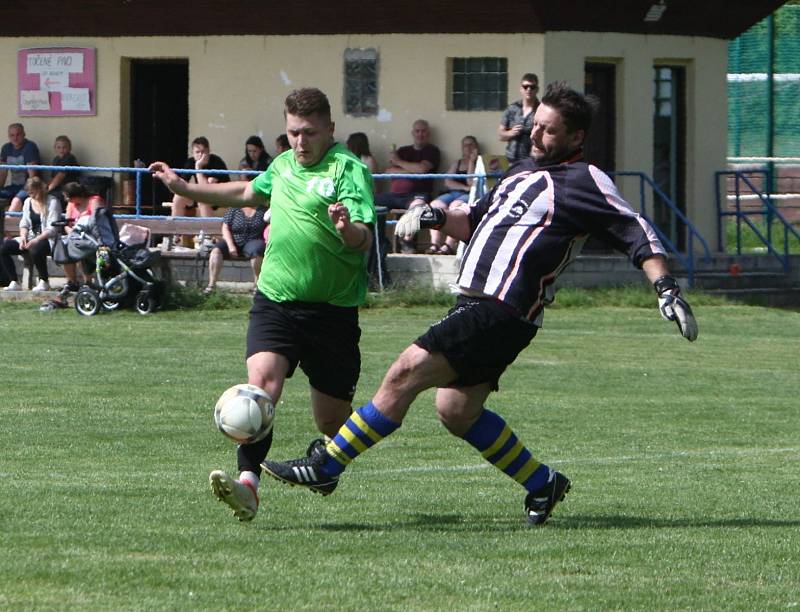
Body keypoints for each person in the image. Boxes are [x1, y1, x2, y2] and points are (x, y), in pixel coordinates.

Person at [261, 82, 699, 527]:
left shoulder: (585, 180)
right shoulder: (520, 173)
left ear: (576, 138)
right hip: (477, 305)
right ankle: (542, 483)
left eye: (548, 130)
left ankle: (326, 465)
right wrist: (433, 214)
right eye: (535, 125)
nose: (535, 135)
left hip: (501, 308)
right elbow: (473, 220)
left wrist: (665, 287)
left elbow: (634, 228)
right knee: (456, 410)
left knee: (404, 372)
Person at [149, 87, 376, 523]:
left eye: (309, 133)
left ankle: (327, 466)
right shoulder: (283, 165)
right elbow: (248, 192)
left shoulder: (349, 170)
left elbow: (363, 238)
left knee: (333, 424)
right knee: (260, 391)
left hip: (332, 314)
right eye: (293, 132)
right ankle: (248, 485)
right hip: (276, 302)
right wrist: (186, 186)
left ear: (330, 128)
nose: (300, 142)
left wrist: (347, 230)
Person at [375, 119, 440, 253]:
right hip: (394, 195)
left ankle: (406, 242)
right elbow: (389, 171)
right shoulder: (403, 150)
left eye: (423, 131)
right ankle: (376, 241)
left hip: (418, 194)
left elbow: (422, 169)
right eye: (417, 131)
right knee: (369, 201)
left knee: (417, 207)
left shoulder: (432, 150)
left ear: (428, 134)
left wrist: (399, 162)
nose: (420, 134)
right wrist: (412, 169)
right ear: (412, 133)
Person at [0, 177, 61, 291]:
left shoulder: (52, 202)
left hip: (47, 239)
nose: (31, 195)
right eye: (29, 193)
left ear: (40, 189)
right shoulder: (28, 202)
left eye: (33, 192)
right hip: (30, 237)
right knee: (4, 248)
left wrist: (36, 240)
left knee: (36, 249)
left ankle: (44, 281)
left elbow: (52, 229)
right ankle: (14, 281)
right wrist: (23, 237)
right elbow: (24, 223)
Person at [423, 135, 479, 255]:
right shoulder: (457, 163)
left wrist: (471, 162)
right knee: (434, 206)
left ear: (476, 148)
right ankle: (435, 244)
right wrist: (464, 187)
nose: (468, 148)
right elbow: (448, 181)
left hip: (468, 195)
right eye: (465, 145)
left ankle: (448, 245)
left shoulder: (479, 163)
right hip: (452, 193)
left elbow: (471, 181)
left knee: (455, 207)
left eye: (471, 145)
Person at [204, 205, 268, 295]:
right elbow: (225, 228)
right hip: (233, 240)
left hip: (254, 240)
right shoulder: (234, 209)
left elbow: (269, 227)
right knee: (216, 251)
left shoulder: (263, 210)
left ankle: (257, 286)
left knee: (257, 251)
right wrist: (231, 246)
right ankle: (211, 285)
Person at [168, 136, 230, 219]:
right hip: (201, 194)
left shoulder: (216, 162)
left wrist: (198, 167)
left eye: (203, 152)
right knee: (178, 197)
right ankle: (175, 229)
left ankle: (208, 230)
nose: (200, 155)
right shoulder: (190, 162)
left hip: (220, 196)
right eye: (197, 152)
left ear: (208, 151)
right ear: (193, 153)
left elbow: (205, 189)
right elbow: (182, 184)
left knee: (203, 198)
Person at [498, 73, 540, 164]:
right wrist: (511, 133)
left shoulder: (541, 110)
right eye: (525, 86)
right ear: (521, 89)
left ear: (537, 89)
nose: (528, 89)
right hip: (511, 161)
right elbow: (501, 135)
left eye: (532, 87)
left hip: (532, 161)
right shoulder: (512, 108)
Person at [1, 123, 41, 212]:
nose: (15, 138)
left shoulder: (30, 147)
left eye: (18, 134)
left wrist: (29, 193)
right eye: (12, 135)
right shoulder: (6, 148)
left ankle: (8, 222)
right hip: (13, 186)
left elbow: (32, 176)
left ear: (24, 134)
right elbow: (3, 173)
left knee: (16, 201)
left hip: (28, 187)